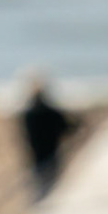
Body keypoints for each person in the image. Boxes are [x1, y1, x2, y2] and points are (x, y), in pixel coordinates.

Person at [15, 71, 79, 201]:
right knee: (51, 185)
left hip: (35, 154)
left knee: (40, 186)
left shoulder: (28, 114)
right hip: (51, 153)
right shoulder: (50, 112)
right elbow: (69, 127)